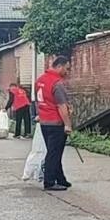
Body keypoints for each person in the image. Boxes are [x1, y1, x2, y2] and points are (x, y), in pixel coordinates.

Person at [34, 56, 73, 192]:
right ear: (59, 66)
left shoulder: (40, 80)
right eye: (66, 69)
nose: (67, 72)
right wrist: (67, 124)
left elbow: (38, 101)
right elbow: (61, 106)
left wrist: (40, 114)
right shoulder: (57, 83)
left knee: (54, 152)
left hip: (44, 122)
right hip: (56, 122)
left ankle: (60, 179)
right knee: (54, 153)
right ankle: (49, 181)